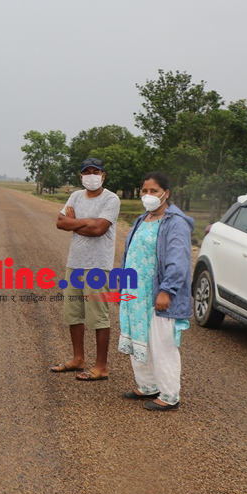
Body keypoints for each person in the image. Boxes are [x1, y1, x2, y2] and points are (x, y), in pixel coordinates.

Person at [118, 172, 193, 411]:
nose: (147, 195)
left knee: (162, 345)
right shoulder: (143, 219)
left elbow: (178, 260)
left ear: (166, 194)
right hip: (135, 293)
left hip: (157, 294)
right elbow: (131, 254)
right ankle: (148, 386)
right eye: (144, 191)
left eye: (153, 191)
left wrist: (167, 291)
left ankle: (170, 395)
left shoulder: (175, 223)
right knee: (141, 339)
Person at [51, 157, 121, 381]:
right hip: (75, 263)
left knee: (98, 316)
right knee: (73, 314)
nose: (91, 176)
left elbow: (99, 230)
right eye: (87, 172)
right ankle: (78, 359)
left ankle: (101, 366)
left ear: (103, 175)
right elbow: (60, 223)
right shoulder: (75, 196)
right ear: (81, 176)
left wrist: (76, 222)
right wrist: (87, 221)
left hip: (98, 266)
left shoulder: (111, 199)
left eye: (96, 171)